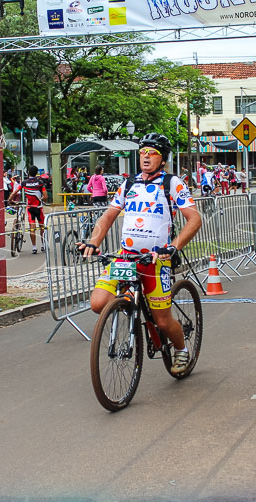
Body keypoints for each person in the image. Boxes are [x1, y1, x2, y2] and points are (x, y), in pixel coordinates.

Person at [80, 132, 202, 375]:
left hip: (156, 260)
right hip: (126, 256)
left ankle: (180, 350)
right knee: (98, 303)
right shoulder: (129, 184)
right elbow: (107, 216)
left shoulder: (172, 183)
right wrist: (94, 242)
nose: (145, 156)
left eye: (152, 152)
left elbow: (194, 219)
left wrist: (173, 246)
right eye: (142, 152)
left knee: (163, 321)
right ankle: (133, 308)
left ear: (163, 159)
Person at [9, 166, 47, 254]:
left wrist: (10, 200)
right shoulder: (40, 182)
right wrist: (41, 200)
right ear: (37, 173)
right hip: (38, 207)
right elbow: (45, 196)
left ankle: (34, 247)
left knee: (32, 228)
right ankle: (43, 245)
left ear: (28, 173)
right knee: (42, 227)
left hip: (30, 208)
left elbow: (14, 192)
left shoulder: (24, 183)